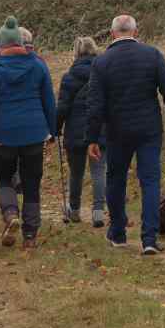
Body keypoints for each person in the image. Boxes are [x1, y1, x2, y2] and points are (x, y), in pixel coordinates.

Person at [86, 14, 165, 255]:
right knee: (150, 181)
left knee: (116, 179)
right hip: (148, 130)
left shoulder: (101, 63)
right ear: (136, 31)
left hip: (117, 130)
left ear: (112, 34)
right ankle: (150, 239)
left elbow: (95, 105)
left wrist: (92, 137)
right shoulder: (152, 55)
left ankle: (119, 233)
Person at [0, 17, 57, 248]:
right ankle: (30, 235)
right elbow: (49, 102)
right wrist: (53, 131)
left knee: (3, 177)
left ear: (1, 45)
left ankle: (11, 213)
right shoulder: (38, 66)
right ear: (21, 44)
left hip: (4, 136)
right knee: (32, 182)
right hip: (34, 133)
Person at [56, 36, 106, 227]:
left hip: (76, 133)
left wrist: (56, 128)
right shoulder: (103, 74)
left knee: (76, 173)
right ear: (94, 51)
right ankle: (98, 213)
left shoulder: (69, 77)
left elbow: (62, 107)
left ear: (76, 53)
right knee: (99, 171)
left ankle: (74, 210)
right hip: (100, 130)